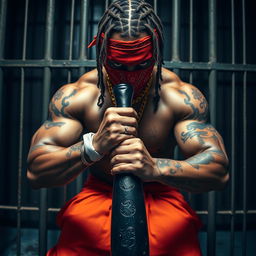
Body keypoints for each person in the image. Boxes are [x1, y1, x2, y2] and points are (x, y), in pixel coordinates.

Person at [27, 0, 229, 255]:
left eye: (142, 65)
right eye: (119, 65)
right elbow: (36, 172)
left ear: (156, 53)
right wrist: (93, 146)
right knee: (78, 234)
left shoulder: (179, 96)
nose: (129, 75)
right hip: (100, 194)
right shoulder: (79, 95)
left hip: (158, 193)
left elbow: (219, 171)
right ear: (101, 52)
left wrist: (155, 167)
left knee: (177, 233)